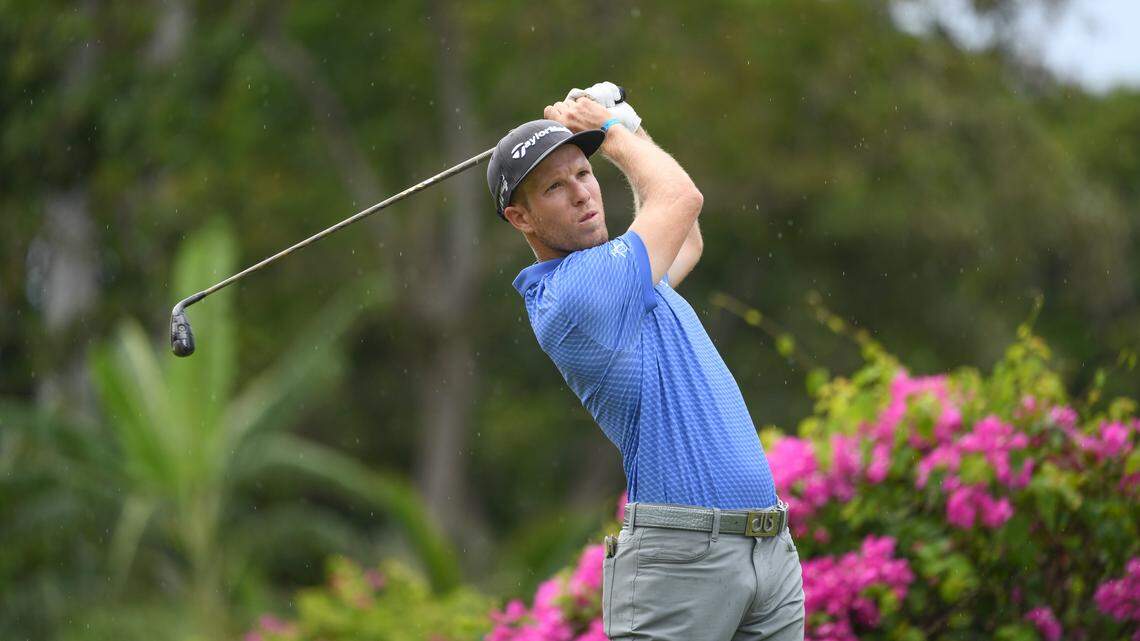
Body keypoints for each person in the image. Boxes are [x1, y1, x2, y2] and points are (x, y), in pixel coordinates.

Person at [486, 81, 805, 641]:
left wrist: (626, 125)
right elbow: (682, 200)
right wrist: (609, 131)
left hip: (766, 550)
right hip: (683, 561)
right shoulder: (578, 292)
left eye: (584, 174)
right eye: (555, 188)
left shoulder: (623, 274)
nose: (583, 194)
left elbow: (688, 239)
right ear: (521, 219)